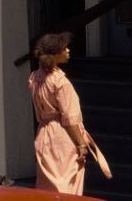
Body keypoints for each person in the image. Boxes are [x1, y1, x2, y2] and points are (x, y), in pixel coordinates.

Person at [28, 32, 95, 195]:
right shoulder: (60, 82)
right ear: (56, 53)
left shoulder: (35, 78)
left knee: (48, 185)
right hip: (62, 136)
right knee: (67, 185)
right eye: (64, 49)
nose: (68, 51)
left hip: (44, 133)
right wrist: (80, 144)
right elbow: (69, 118)